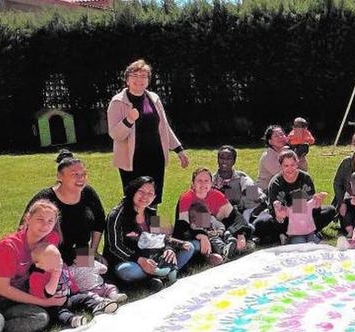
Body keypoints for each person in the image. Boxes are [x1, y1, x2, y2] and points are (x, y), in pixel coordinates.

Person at [0, 200, 64, 332]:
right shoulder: (9, 246)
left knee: (40, 318)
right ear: (28, 218)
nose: (45, 225)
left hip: (14, 300)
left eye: (50, 221)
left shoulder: (50, 240)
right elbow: (3, 288)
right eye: (40, 219)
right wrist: (44, 302)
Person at [107, 59, 189, 207]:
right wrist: (128, 121)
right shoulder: (117, 102)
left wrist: (179, 149)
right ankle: (132, 229)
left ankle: (154, 228)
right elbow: (115, 135)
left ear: (148, 80)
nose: (139, 79)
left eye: (144, 76)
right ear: (127, 79)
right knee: (134, 201)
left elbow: (164, 126)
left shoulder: (154, 98)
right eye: (135, 75)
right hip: (132, 161)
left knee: (153, 200)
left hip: (155, 158)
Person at [104, 177, 196, 291]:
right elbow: (115, 247)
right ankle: (163, 275)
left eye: (150, 193)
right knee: (128, 270)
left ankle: (157, 277)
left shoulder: (152, 213)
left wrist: (169, 249)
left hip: (153, 257)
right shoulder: (116, 215)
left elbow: (161, 237)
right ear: (133, 191)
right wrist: (139, 260)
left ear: (154, 197)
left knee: (189, 247)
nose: (145, 197)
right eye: (141, 192)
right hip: (129, 260)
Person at [24, 149, 105, 267]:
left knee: (96, 276)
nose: (80, 178)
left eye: (83, 174)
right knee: (58, 283)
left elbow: (99, 221)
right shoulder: (45, 199)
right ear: (59, 176)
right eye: (75, 174)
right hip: (50, 255)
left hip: (81, 252)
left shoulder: (88, 193)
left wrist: (93, 251)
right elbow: (25, 229)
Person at [254, 150, 337, 245]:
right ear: (281, 166)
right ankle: (288, 234)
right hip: (285, 219)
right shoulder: (275, 183)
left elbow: (312, 208)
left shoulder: (305, 178)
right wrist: (281, 215)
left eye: (292, 165)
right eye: (286, 166)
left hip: (304, 216)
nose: (290, 169)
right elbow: (274, 210)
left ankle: (302, 233)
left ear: (297, 164)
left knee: (330, 210)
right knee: (261, 223)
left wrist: (316, 204)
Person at [28, 244, 118, 328]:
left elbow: (70, 280)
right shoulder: (37, 276)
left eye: (59, 257)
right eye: (53, 260)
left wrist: (76, 291)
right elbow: (48, 293)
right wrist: (55, 275)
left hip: (68, 298)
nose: (59, 262)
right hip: (51, 304)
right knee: (59, 312)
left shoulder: (62, 266)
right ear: (39, 265)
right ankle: (72, 320)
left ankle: (96, 307)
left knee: (84, 297)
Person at [175, 167, 253, 259]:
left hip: (215, 231)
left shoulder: (217, 195)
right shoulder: (186, 198)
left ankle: (229, 248)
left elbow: (234, 216)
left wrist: (241, 234)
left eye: (206, 181)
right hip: (192, 234)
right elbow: (182, 227)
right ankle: (220, 253)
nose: (203, 184)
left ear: (211, 183)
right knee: (195, 246)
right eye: (199, 180)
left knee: (249, 227)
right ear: (193, 183)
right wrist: (202, 236)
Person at [212, 145, 266, 224]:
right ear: (217, 160)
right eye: (222, 158)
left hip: (241, 213)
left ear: (234, 161)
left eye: (229, 158)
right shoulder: (211, 180)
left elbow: (256, 195)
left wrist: (251, 196)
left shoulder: (241, 177)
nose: (224, 161)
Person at [257, 125, 289, 191]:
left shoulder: (287, 151)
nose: (280, 137)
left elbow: (303, 169)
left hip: (281, 187)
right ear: (270, 141)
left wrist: (301, 156)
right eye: (276, 136)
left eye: (281, 134)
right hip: (266, 190)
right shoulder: (267, 156)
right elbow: (284, 174)